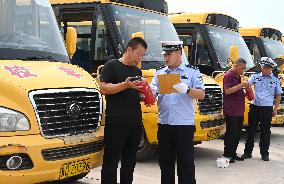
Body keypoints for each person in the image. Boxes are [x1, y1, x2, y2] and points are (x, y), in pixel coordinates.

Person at [151, 41, 205, 184]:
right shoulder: (160, 72)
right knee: (165, 164)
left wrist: (187, 90)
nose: (165, 58)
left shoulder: (192, 72)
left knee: (185, 165)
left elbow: (201, 94)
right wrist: (150, 91)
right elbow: (152, 92)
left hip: (183, 126)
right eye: (164, 55)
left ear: (178, 53)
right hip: (164, 124)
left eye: (168, 54)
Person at [99, 37, 147, 184]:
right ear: (129, 50)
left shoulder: (137, 71)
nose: (140, 58)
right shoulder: (112, 65)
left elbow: (136, 94)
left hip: (135, 123)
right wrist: (125, 85)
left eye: (142, 55)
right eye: (138, 54)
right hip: (116, 122)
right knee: (111, 162)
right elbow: (103, 88)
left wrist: (145, 95)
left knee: (129, 163)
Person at [241, 57, 283, 161]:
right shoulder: (254, 76)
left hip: (267, 108)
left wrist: (275, 108)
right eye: (264, 68)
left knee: (265, 131)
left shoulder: (275, 80)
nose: (265, 70)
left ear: (271, 69)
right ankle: (247, 152)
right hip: (255, 106)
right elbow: (246, 85)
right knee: (251, 130)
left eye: (267, 68)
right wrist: (247, 91)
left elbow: (278, 95)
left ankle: (264, 154)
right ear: (261, 67)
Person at [223, 58, 249, 163]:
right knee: (231, 133)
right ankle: (227, 154)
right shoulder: (229, 75)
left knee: (237, 133)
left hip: (238, 110)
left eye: (244, 69)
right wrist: (241, 85)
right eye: (242, 68)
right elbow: (228, 91)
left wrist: (245, 89)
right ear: (236, 66)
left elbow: (237, 89)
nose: (243, 71)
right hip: (231, 110)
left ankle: (233, 153)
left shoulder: (237, 76)